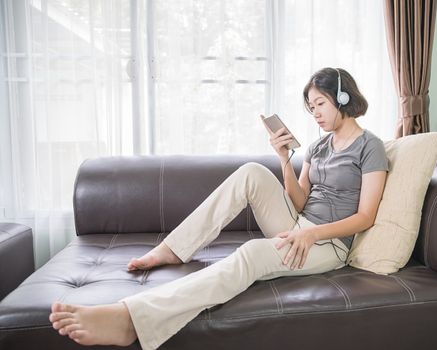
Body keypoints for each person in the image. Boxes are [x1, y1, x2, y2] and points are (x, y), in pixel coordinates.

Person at [49, 67, 388, 350]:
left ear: (343, 99)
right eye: (310, 106)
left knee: (253, 253)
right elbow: (300, 199)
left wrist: (312, 233)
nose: (314, 112)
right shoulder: (318, 145)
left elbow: (365, 216)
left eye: (320, 103)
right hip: (299, 223)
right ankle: (174, 249)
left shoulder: (369, 147)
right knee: (252, 172)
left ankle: (130, 319)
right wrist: (285, 159)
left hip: (327, 243)